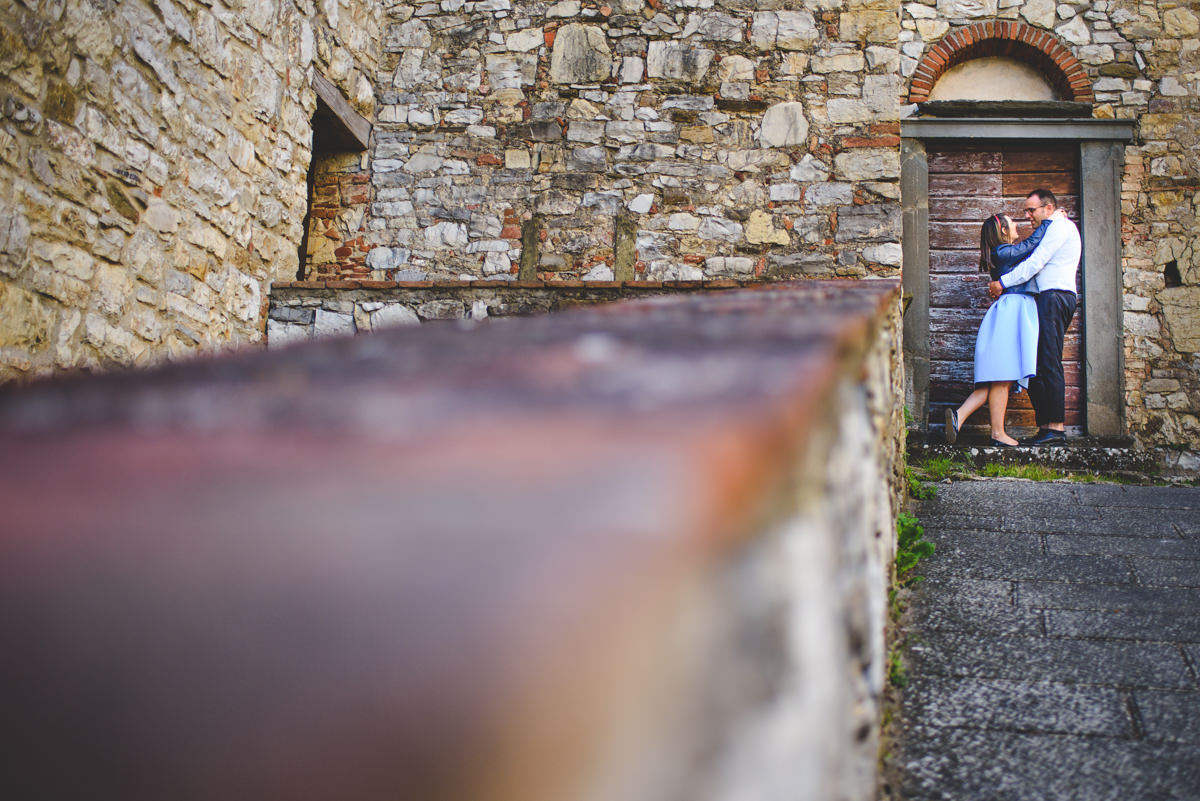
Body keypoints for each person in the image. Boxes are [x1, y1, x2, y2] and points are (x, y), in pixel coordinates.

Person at [945, 213, 1049, 446]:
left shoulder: (1004, 253)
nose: (1017, 225)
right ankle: (998, 433)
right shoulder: (1002, 252)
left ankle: (958, 417)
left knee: (995, 380)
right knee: (1002, 377)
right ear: (1003, 230)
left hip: (1012, 309)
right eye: (1012, 222)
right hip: (1012, 310)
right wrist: (1048, 222)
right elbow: (1031, 245)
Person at [987, 188, 1081, 446]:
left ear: (1048, 208)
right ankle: (1045, 427)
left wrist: (1002, 283)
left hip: (1054, 296)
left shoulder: (1060, 227)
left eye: (1031, 210)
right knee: (1038, 363)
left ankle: (1056, 429)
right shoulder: (1051, 227)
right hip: (1046, 298)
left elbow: (1035, 262)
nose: (1027, 215)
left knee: (1049, 361)